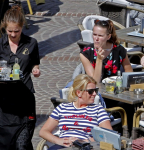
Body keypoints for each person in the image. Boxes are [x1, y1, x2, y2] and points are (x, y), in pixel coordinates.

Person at [0, 5, 40, 149]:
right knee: (5, 144)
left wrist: (36, 70)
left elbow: (34, 63)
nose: (12, 34)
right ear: (4, 27)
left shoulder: (31, 43)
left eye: (16, 31)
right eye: (9, 31)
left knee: (22, 145)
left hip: (25, 99)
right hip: (4, 102)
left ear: (22, 26)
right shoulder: (0, 44)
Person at [39, 74, 112, 150]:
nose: (94, 94)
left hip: (86, 146)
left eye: (95, 91)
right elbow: (43, 131)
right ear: (78, 93)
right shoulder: (62, 108)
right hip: (63, 146)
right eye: (90, 91)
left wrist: (88, 141)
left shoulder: (98, 110)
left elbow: (109, 136)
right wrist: (59, 141)